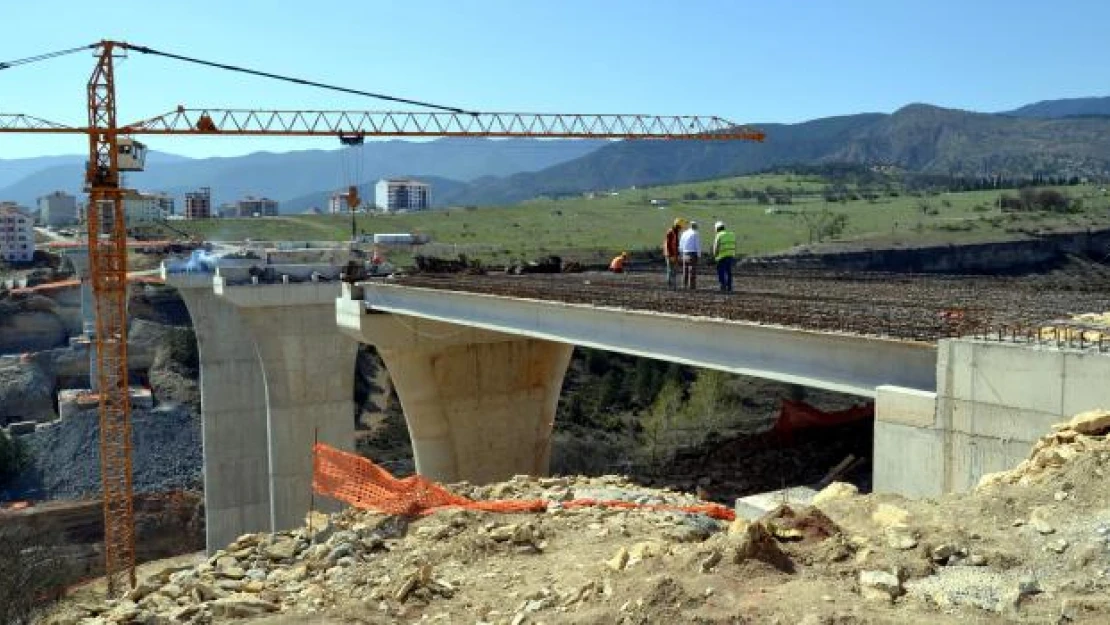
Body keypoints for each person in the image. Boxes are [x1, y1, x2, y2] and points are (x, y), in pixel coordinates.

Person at [712, 221, 736, 293]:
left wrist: (715, 255)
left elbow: (716, 247)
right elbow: (734, 245)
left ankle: (723, 286)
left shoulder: (719, 235)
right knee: (729, 272)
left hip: (721, 257)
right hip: (730, 256)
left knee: (721, 272)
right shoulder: (732, 234)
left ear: (717, 229)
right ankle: (729, 287)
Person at [663, 218, 685, 289]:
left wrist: (677, 255)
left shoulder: (675, 232)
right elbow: (667, 245)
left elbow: (676, 245)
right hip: (670, 255)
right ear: (678, 226)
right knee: (670, 270)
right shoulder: (671, 232)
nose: (681, 228)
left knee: (673, 270)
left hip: (674, 255)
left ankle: (673, 285)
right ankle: (671, 285)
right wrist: (670, 255)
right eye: (681, 227)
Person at [678, 220, 701, 289]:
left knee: (685, 271)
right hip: (692, 254)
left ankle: (684, 285)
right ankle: (692, 286)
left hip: (685, 253)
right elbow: (697, 245)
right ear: (695, 226)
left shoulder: (684, 233)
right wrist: (699, 255)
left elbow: (680, 245)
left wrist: (681, 254)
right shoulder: (695, 233)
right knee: (692, 271)